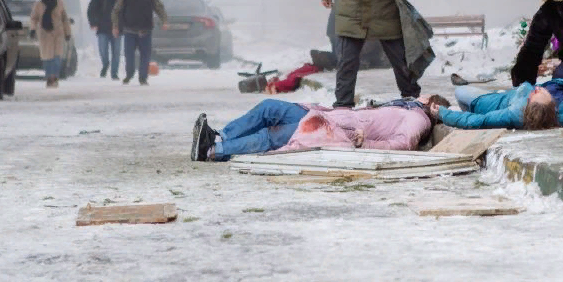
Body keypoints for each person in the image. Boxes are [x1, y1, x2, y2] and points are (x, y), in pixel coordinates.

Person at [189, 95, 450, 162]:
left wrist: (364, 144)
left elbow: (402, 144)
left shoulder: (419, 118)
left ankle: (213, 150)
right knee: (269, 107)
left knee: (273, 136)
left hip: (332, 130)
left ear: (432, 103)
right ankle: (222, 135)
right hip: (326, 115)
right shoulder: (406, 106)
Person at [434, 78, 563, 130]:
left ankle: (466, 109)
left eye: (534, 94)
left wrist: (443, 113)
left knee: (460, 91)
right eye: (540, 92)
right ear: (554, 107)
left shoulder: (515, 113)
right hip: (507, 94)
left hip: (488, 103)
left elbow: (477, 122)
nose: (536, 88)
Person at [111, 0, 167, 85]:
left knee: (145, 55)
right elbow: (116, 10)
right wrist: (115, 26)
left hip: (145, 30)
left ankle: (143, 77)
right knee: (129, 55)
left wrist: (164, 20)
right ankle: (129, 74)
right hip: (129, 30)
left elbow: (159, 7)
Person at [29, 0, 72, 88]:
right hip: (45, 34)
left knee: (57, 57)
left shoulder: (60, 3)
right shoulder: (38, 4)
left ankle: (55, 77)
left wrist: (67, 33)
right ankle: (49, 77)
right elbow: (34, 18)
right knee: (47, 58)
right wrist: (33, 30)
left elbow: (65, 19)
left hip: (58, 33)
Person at [86, 0, 122, 79]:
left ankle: (114, 73)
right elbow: (91, 10)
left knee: (116, 52)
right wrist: (93, 23)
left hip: (117, 27)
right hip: (103, 27)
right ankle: (105, 64)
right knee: (103, 51)